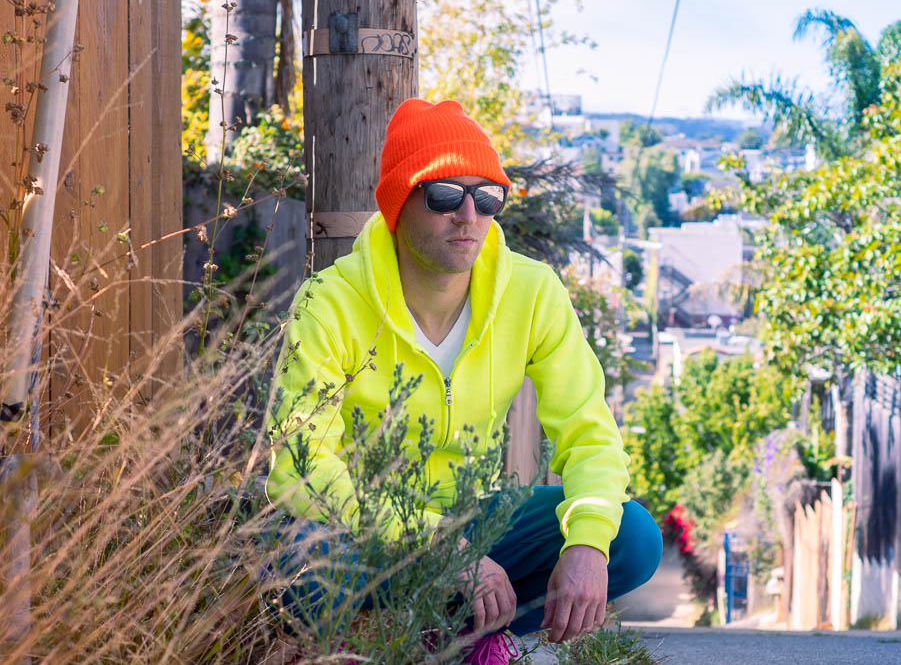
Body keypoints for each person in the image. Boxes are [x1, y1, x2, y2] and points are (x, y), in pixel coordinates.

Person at [266, 98, 661, 663]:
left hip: (475, 525)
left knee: (631, 539)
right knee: (298, 571)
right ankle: (395, 634)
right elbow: (302, 470)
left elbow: (589, 434)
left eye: (488, 196)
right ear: (399, 202)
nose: (468, 214)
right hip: (364, 532)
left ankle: (458, 639)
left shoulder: (532, 292)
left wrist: (587, 544)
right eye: (445, 195)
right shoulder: (329, 302)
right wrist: (438, 547)